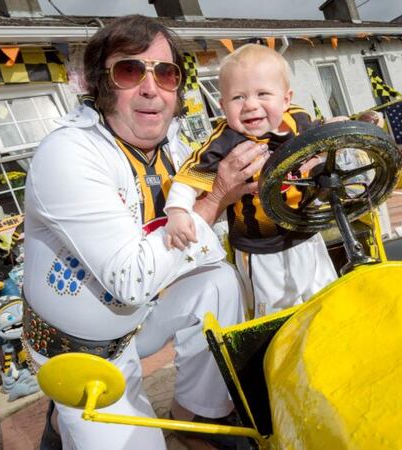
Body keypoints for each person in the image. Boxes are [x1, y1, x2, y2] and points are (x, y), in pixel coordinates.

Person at [23, 15, 266, 450]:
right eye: (130, 71)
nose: (151, 88)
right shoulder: (67, 154)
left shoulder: (172, 146)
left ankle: (194, 414)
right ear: (100, 84)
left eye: (166, 73)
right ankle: (65, 420)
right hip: (83, 351)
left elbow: (202, 241)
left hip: (139, 320)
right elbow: (130, 279)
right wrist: (214, 201)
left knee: (218, 282)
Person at [164, 44, 337, 318]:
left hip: (307, 234)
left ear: (285, 99)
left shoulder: (297, 121)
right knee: (276, 313)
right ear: (222, 106)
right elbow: (189, 176)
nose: (251, 105)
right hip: (260, 249)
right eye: (238, 97)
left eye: (263, 94)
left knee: (325, 296)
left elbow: (325, 132)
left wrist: (343, 126)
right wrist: (177, 211)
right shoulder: (225, 141)